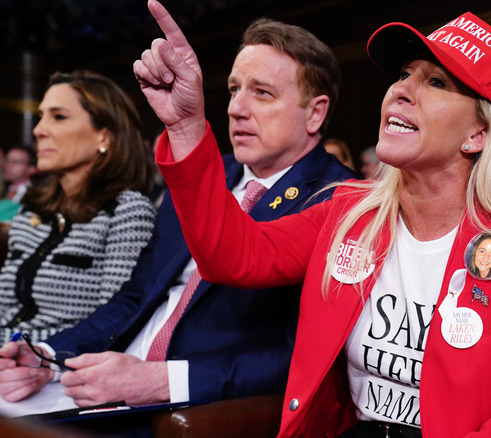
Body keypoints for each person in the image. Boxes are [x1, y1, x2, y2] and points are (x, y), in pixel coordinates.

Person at [135, 2, 491, 437]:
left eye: (435, 82)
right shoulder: (348, 212)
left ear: (478, 133)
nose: (401, 90)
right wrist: (187, 127)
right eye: (403, 74)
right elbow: (233, 258)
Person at [0, 17, 354, 415]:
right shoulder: (200, 172)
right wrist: (48, 356)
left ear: (315, 113)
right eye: (235, 89)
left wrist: (164, 381)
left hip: (185, 407)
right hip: (102, 382)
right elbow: (134, 297)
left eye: (262, 93)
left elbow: (304, 359)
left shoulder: (341, 201)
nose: (236, 108)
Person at [0, 71, 156, 344]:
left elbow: (113, 322)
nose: (39, 130)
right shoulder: (33, 208)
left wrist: (40, 355)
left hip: (56, 366)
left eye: (58, 116)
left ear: (103, 137)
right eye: (41, 116)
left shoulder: (128, 211)